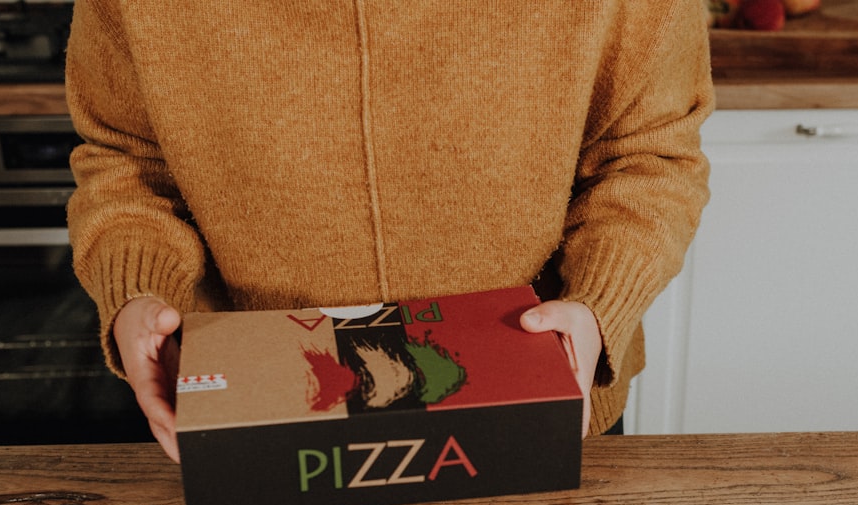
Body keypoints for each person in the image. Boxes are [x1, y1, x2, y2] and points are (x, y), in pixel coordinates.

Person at [65, 0, 714, 463]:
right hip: (253, 421)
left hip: (544, 408)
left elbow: (649, 153)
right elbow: (127, 161)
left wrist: (601, 305)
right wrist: (138, 287)